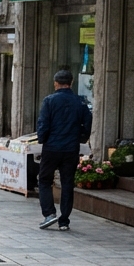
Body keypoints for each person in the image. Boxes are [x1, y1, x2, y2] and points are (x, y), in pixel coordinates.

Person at [36, 69, 93, 231]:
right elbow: (88, 124)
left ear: (55, 83)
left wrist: (42, 139)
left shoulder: (49, 101)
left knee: (45, 180)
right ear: (71, 82)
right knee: (67, 183)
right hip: (71, 148)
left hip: (52, 147)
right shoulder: (80, 102)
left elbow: (43, 125)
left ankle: (49, 214)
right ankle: (64, 220)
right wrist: (80, 138)